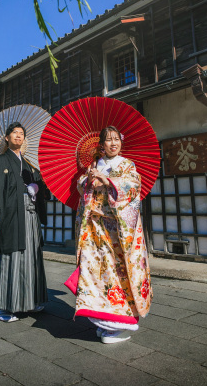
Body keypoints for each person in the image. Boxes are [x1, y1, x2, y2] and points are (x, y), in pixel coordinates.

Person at [74, 126, 151, 344]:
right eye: (108, 140)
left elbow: (134, 187)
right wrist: (88, 181)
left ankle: (121, 324)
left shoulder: (127, 165)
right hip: (95, 229)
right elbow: (82, 189)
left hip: (118, 232)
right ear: (101, 144)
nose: (113, 143)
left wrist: (109, 182)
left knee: (119, 273)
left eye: (116, 139)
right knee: (96, 273)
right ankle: (103, 321)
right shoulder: (94, 165)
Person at [0, 122, 48, 322]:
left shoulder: (29, 165)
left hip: (30, 216)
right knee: (9, 257)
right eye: (15, 133)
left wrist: (37, 187)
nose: (19, 136)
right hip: (10, 216)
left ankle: (30, 302)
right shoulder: (0, 162)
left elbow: (41, 188)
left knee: (31, 258)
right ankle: (3, 307)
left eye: (22, 133)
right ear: (7, 138)